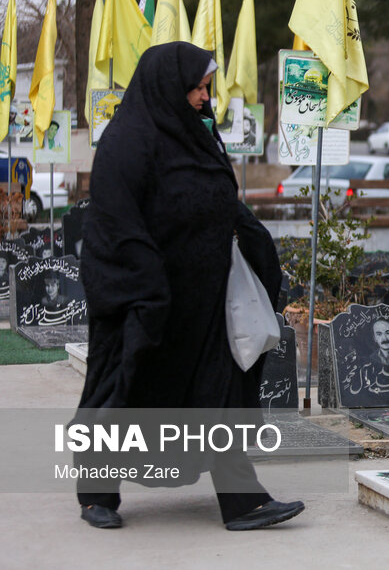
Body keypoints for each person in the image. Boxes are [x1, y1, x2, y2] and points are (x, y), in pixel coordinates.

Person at [75, 42, 304, 531]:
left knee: (219, 392)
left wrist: (255, 241)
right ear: (168, 87)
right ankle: (96, 492)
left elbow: (217, 196)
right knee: (123, 390)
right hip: (146, 301)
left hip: (205, 301)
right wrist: (146, 287)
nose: (205, 97)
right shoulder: (127, 141)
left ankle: (243, 500)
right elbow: (113, 221)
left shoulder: (197, 135)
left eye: (206, 87)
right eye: (196, 87)